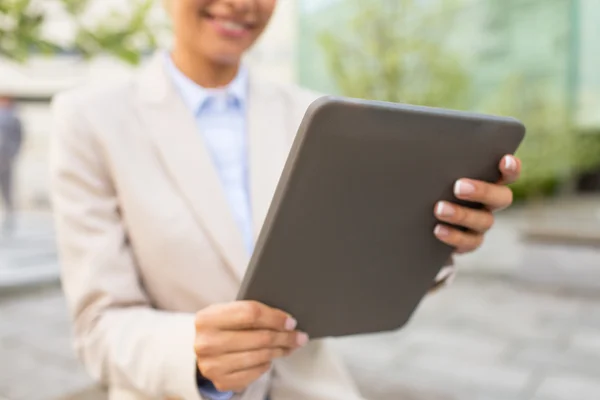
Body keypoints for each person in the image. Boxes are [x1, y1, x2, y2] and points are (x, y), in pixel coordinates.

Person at [49, 0, 522, 399]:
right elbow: (98, 326)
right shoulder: (90, 120)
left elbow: (356, 260)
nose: (242, 3)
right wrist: (191, 352)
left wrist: (436, 237)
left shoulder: (317, 115)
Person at [0, 95, 23, 234]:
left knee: (7, 188)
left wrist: (12, 154)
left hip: (6, 159)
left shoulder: (14, 119)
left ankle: (9, 214)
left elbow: (18, 138)